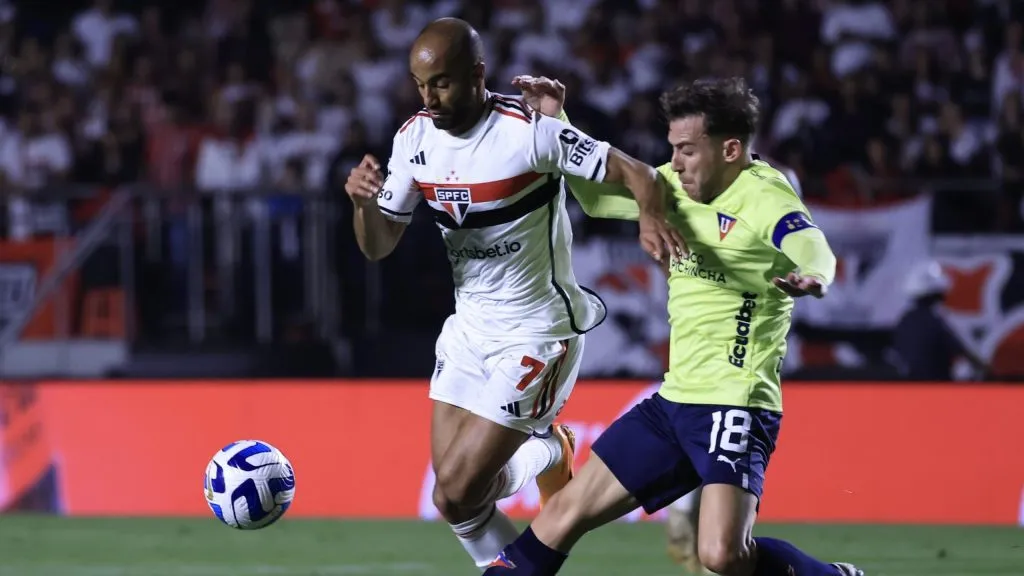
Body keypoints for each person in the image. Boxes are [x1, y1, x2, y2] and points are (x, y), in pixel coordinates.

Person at [484, 76, 863, 576]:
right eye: (672, 148)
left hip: (736, 402)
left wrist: (814, 275)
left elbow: (811, 244)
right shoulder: (670, 186)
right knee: (561, 515)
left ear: (730, 150)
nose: (675, 162)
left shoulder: (764, 197)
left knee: (721, 555)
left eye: (687, 150)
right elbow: (596, 200)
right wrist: (558, 121)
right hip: (673, 402)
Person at [343, 19, 684, 571]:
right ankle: (545, 463)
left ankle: (547, 449)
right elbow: (378, 246)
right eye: (421, 85)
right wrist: (363, 206)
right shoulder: (413, 140)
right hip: (468, 330)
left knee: (459, 488)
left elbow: (640, 175)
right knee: (454, 501)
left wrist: (649, 221)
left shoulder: (529, 133)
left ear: (477, 74)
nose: (430, 98)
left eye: (442, 83)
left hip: (537, 333)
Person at [664, 155, 804, 576]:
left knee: (721, 548)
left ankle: (688, 519)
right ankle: (687, 519)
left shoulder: (769, 243)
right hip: (695, 375)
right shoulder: (730, 223)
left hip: (736, 386)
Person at [890, 260, 989, 380]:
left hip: (910, 384)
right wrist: (987, 370)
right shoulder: (936, 321)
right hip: (937, 384)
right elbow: (962, 351)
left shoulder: (904, 320)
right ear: (938, 295)